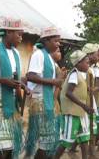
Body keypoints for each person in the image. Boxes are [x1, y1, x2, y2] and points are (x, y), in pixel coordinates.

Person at [0, 18, 30, 159]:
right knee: (1, 146)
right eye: (18, 34)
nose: (21, 38)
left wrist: (23, 85)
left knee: (11, 145)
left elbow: (16, 78)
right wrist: (1, 80)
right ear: (8, 32)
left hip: (12, 104)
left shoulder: (16, 54)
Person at [24, 27, 63, 158]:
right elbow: (31, 76)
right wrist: (54, 82)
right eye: (56, 41)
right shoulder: (39, 55)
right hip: (40, 102)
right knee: (46, 142)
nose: (59, 44)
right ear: (46, 40)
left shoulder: (49, 59)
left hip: (47, 102)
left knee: (48, 141)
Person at [55, 50, 93, 159]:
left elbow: (78, 90)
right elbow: (69, 93)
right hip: (72, 112)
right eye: (86, 62)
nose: (88, 64)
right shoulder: (74, 74)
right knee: (67, 140)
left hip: (80, 112)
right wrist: (84, 105)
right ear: (78, 63)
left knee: (84, 137)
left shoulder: (81, 75)